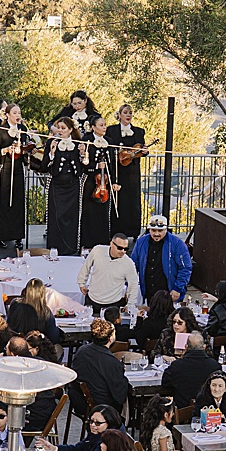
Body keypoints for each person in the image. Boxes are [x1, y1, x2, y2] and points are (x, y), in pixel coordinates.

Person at [37, 115, 85, 256]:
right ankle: (54, 247)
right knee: (56, 216)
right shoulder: (52, 142)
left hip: (72, 186)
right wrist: (51, 153)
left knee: (72, 216)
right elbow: (44, 166)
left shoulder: (77, 144)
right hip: (57, 186)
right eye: (58, 128)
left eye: (63, 128)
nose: (60, 130)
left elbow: (82, 169)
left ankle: (70, 247)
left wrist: (82, 155)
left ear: (70, 130)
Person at [0, 102, 30, 251]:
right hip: (4, 169)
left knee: (18, 202)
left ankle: (18, 236)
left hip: (18, 169)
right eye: (15, 113)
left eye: (19, 113)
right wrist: (6, 150)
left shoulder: (23, 130)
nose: (18, 116)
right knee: (2, 202)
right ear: (7, 115)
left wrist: (28, 150)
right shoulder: (0, 131)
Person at [70, 318, 131, 413]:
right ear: (110, 338)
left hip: (81, 400)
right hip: (102, 406)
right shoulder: (111, 361)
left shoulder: (82, 350)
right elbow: (120, 395)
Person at [129, 214, 192, 305]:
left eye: (160, 230)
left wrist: (177, 288)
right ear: (149, 230)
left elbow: (185, 268)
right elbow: (133, 266)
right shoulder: (141, 242)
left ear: (166, 229)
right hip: (149, 292)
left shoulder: (177, 244)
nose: (156, 233)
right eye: (153, 230)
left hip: (169, 293)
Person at [38, 405, 119, 451]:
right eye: (91, 421)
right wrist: (54, 448)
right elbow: (77, 448)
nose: (93, 425)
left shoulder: (109, 442)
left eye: (98, 423)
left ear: (109, 423)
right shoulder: (95, 435)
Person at [77, 233, 142, 315]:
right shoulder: (97, 250)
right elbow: (86, 266)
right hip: (92, 300)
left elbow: (133, 284)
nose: (123, 251)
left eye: (125, 249)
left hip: (113, 304)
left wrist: (130, 304)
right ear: (111, 244)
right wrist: (81, 283)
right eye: (120, 248)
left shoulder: (129, 264)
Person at [107, 103, 146, 237]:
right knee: (119, 200)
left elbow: (141, 149)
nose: (128, 115)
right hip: (117, 170)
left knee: (132, 200)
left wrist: (144, 151)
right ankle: (117, 231)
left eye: (130, 112)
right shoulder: (111, 130)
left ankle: (133, 231)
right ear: (119, 115)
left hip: (133, 172)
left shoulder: (139, 131)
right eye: (125, 112)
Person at [79, 119, 115, 250]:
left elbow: (112, 163)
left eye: (105, 124)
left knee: (103, 212)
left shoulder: (109, 141)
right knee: (89, 212)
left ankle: (103, 242)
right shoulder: (87, 140)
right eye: (101, 125)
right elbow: (84, 163)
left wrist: (114, 180)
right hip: (91, 181)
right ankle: (88, 243)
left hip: (104, 181)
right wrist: (95, 166)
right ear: (93, 127)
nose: (104, 127)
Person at [161, 332, 217, 406]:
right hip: (209, 411)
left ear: (186, 347)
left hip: (183, 411)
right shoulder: (214, 366)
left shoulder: (177, 365)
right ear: (204, 347)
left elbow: (165, 383)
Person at [7, 278, 61, 342]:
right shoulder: (45, 312)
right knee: (59, 348)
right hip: (36, 348)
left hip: (15, 344)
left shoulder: (15, 303)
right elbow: (53, 338)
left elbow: (8, 325)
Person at [131, 289, 175, 355]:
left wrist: (139, 320)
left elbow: (139, 340)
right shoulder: (174, 322)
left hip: (151, 355)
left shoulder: (149, 323)